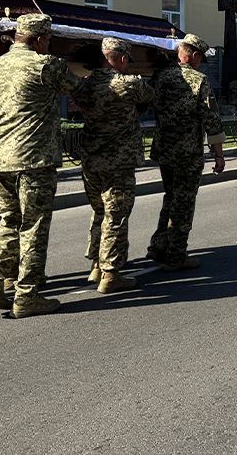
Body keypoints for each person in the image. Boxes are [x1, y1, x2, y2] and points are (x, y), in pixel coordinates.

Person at [0, 13, 82, 318]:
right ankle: (27, 295)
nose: (49, 44)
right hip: (34, 160)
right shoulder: (46, 64)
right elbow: (79, 89)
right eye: (48, 39)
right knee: (33, 226)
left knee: (9, 222)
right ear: (38, 39)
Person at [72, 37, 154, 294]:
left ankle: (96, 264)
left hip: (91, 160)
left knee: (99, 212)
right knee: (116, 216)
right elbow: (151, 95)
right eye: (127, 60)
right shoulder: (128, 84)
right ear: (120, 59)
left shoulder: (85, 86)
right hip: (118, 161)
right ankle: (111, 273)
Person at [148, 33, 226, 271]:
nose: (200, 62)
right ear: (193, 55)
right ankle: (176, 255)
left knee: (170, 197)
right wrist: (219, 153)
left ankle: (159, 246)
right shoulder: (198, 80)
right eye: (200, 58)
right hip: (187, 153)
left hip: (163, 149)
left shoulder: (160, 76)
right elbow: (211, 118)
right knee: (183, 203)